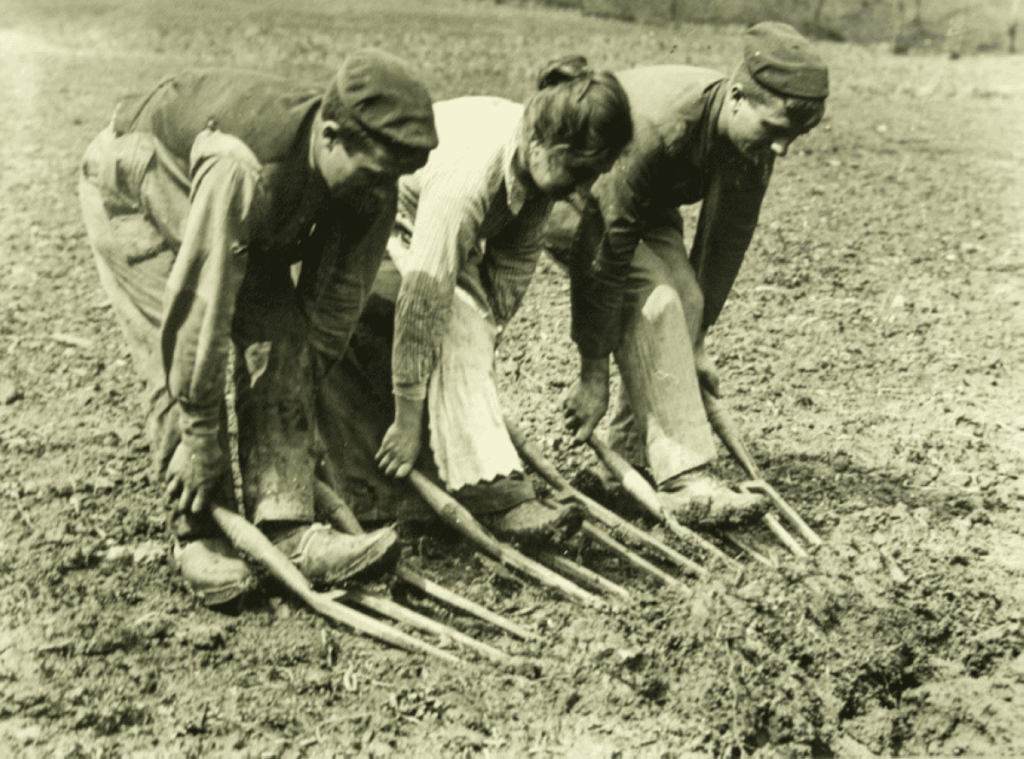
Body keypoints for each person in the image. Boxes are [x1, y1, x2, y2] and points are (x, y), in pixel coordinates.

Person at [78, 50, 439, 606]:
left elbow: (330, 311)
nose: (379, 193)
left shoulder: (372, 178)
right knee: (173, 365)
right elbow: (199, 310)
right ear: (330, 136)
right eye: (373, 176)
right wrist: (200, 438)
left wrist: (295, 427)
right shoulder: (242, 167)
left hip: (250, 221)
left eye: (391, 180)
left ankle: (286, 526)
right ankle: (197, 534)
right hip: (138, 195)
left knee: (283, 339)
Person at [319, 56, 633, 540]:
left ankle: (472, 473)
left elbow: (506, 278)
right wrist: (407, 420)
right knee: (445, 324)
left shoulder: (537, 165)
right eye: (579, 171)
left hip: (421, 235)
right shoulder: (467, 180)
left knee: (467, 330)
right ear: (538, 143)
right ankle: (492, 495)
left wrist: (477, 362)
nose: (585, 189)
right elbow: (423, 302)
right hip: (363, 227)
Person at [548, 22, 829, 524]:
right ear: (738, 96)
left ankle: (633, 459)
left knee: (687, 300)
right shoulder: (658, 122)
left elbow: (723, 245)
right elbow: (605, 250)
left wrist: (695, 344)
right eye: (775, 131)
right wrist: (593, 373)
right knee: (655, 302)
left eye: (795, 137)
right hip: (578, 195)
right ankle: (684, 477)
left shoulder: (753, 142)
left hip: (645, 205)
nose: (782, 149)